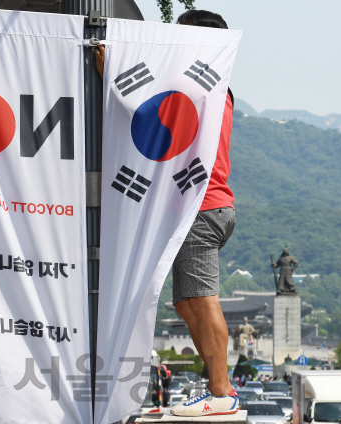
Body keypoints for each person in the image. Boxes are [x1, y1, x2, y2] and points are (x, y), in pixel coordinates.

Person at [95, 8, 238, 417]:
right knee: (187, 301)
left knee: (201, 298)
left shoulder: (201, 88)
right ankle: (219, 388)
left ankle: (221, 392)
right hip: (203, 205)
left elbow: (156, 128)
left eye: (184, 36)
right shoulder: (214, 85)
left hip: (201, 206)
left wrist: (113, 78)